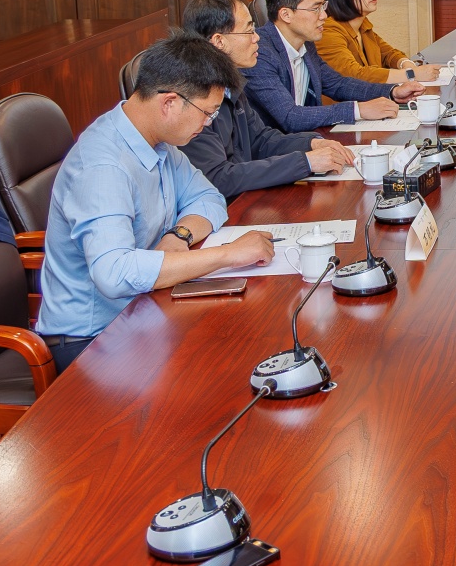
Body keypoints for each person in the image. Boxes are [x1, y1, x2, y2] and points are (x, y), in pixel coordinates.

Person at [34, 34, 276, 371]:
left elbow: (209, 198)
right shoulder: (103, 167)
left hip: (147, 307)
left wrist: (179, 235)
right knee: (222, 368)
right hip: (92, 339)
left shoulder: (157, 142)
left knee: (245, 343)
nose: (207, 124)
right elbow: (114, 274)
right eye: (207, 114)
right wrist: (228, 255)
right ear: (169, 103)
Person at [178, 0, 356, 198]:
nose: (257, 38)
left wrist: (312, 143)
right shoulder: (192, 98)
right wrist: (306, 162)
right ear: (219, 41)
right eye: (249, 31)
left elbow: (261, 140)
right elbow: (219, 178)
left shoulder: (230, 82)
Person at [245, 0, 422, 133]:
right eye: (315, 9)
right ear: (286, 14)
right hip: (278, 149)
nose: (324, 15)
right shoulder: (259, 52)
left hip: (310, 139)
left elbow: (337, 84)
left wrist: (392, 91)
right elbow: (290, 117)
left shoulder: (306, 43)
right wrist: (357, 110)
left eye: (323, 6)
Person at [318, 0, 441, 87]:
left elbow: (388, 54)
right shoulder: (327, 31)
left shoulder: (362, 25)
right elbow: (355, 74)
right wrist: (412, 74)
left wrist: (405, 63)